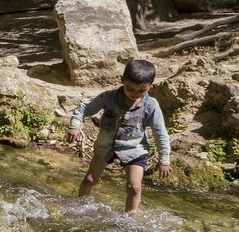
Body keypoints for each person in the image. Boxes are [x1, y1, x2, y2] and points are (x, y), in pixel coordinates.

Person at [65, 59, 171, 213]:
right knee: (89, 180)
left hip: (134, 149)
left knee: (134, 187)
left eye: (141, 91)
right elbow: (84, 108)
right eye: (129, 88)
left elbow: (160, 133)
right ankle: (79, 208)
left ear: (150, 86)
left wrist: (164, 159)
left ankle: (130, 218)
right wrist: (74, 126)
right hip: (105, 146)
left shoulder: (151, 105)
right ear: (122, 80)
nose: (134, 94)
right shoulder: (109, 97)